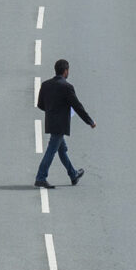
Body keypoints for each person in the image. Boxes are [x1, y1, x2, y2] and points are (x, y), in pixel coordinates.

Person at [34, 58, 95, 189]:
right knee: (51, 150)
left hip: (51, 122)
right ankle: (40, 177)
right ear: (65, 71)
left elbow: (40, 105)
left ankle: (73, 175)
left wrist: (51, 111)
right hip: (60, 125)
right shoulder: (67, 87)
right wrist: (89, 121)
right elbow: (78, 107)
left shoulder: (45, 85)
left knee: (62, 150)